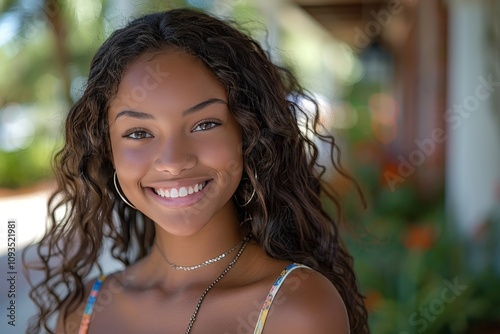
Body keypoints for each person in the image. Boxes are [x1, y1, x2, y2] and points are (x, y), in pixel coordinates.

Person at [24, 7, 369, 334]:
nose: (173, 161)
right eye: (139, 133)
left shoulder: (295, 307)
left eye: (204, 124)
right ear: (108, 150)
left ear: (249, 134)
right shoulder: (82, 312)